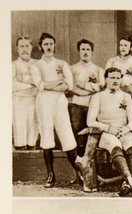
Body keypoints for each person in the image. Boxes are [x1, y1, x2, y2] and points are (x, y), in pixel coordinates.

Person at [35, 32, 82, 188]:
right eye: (45, 44)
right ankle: (50, 175)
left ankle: (79, 172)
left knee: (66, 133)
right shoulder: (36, 65)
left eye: (51, 43)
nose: (48, 47)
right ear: (41, 47)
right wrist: (57, 82)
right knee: (46, 133)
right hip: (43, 102)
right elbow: (40, 85)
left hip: (59, 101)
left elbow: (68, 85)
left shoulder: (62, 64)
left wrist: (51, 85)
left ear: (54, 45)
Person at [86, 67, 132, 196]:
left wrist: (126, 129)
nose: (115, 81)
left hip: (123, 130)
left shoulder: (126, 96)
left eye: (118, 78)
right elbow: (90, 121)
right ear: (106, 79)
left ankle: (126, 183)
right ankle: (130, 179)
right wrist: (108, 128)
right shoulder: (97, 96)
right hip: (106, 132)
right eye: (112, 78)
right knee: (114, 144)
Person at [69, 39, 104, 157]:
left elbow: (100, 87)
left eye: (88, 49)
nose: (85, 52)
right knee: (77, 132)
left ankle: (91, 162)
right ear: (79, 51)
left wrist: (82, 85)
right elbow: (70, 87)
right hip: (77, 105)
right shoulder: (71, 69)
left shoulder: (98, 70)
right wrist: (88, 90)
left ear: (92, 52)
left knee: (92, 132)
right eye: (83, 49)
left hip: (92, 106)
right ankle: (78, 162)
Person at [12, 36, 41, 150]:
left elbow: (42, 83)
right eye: (21, 46)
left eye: (27, 46)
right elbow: (12, 85)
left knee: (33, 129)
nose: (24, 49)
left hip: (35, 101)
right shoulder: (13, 65)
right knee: (20, 129)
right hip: (19, 101)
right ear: (17, 49)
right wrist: (33, 84)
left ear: (31, 48)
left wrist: (23, 78)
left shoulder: (38, 64)